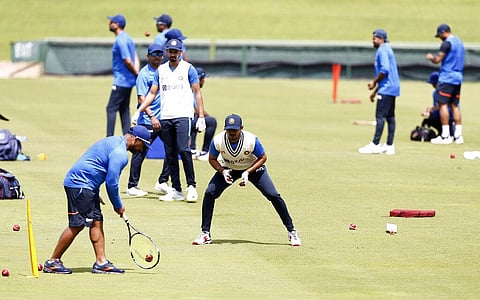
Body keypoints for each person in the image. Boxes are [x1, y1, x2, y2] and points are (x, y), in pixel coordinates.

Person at [43, 126, 152, 275]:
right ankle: (52, 262)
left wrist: (94, 190)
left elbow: (95, 162)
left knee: (96, 221)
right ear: (136, 140)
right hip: (80, 185)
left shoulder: (113, 140)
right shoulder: (121, 154)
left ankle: (101, 262)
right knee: (77, 225)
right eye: (143, 145)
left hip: (86, 185)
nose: (142, 150)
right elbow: (112, 183)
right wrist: (118, 205)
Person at [192, 114, 301, 247]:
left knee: (273, 195)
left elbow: (263, 157)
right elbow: (212, 159)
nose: (232, 133)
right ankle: (205, 233)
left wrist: (248, 172)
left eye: (235, 130)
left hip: (253, 169)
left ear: (241, 128)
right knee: (209, 193)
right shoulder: (218, 140)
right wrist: (222, 171)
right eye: (229, 130)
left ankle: (292, 231)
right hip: (228, 169)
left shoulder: (251, 140)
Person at [132, 39, 206, 202]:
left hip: (183, 115)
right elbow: (152, 93)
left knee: (183, 150)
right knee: (170, 154)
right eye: (170, 52)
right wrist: (139, 110)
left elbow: (197, 92)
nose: (173, 54)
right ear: (167, 52)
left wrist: (200, 115)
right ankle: (176, 189)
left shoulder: (188, 69)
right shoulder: (161, 70)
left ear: (180, 52)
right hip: (166, 116)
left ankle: (191, 186)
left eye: (176, 52)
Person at [127, 44, 170, 197]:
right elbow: (141, 98)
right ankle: (132, 186)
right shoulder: (144, 74)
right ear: (148, 56)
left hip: (165, 119)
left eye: (160, 54)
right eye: (154, 54)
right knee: (140, 151)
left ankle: (163, 181)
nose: (157, 57)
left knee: (174, 148)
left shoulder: (166, 70)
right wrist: (152, 116)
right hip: (148, 120)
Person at [358, 29, 400, 155]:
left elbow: (385, 70)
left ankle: (375, 144)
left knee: (380, 116)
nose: (373, 40)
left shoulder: (382, 50)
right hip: (392, 87)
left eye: (375, 38)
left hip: (387, 88)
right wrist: (375, 91)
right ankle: (389, 145)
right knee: (390, 117)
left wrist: (374, 82)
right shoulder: (388, 49)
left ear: (382, 39)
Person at [426, 24, 464, 144]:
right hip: (458, 77)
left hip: (447, 77)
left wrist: (431, 57)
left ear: (444, 32)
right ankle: (458, 136)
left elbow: (438, 59)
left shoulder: (447, 43)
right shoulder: (459, 42)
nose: (440, 38)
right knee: (454, 105)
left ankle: (445, 135)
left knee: (442, 104)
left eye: (440, 35)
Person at [106, 14, 139, 137]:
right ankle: (128, 136)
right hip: (128, 81)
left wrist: (136, 72)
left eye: (111, 22)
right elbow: (134, 56)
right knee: (124, 109)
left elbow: (127, 60)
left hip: (121, 81)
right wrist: (136, 72)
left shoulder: (121, 39)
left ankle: (109, 138)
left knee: (111, 108)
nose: (109, 23)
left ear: (117, 24)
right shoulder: (128, 38)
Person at [191, 67, 217, 161]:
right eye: (203, 79)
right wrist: (206, 117)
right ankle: (204, 151)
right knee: (211, 121)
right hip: (184, 120)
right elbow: (196, 109)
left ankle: (192, 148)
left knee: (195, 119)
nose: (204, 81)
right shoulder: (192, 90)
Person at [421, 71, 454, 137]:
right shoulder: (435, 93)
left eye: (434, 83)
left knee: (433, 117)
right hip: (441, 115)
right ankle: (442, 132)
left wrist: (431, 109)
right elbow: (438, 107)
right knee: (429, 119)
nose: (433, 85)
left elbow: (445, 106)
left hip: (450, 116)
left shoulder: (446, 91)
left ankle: (450, 132)